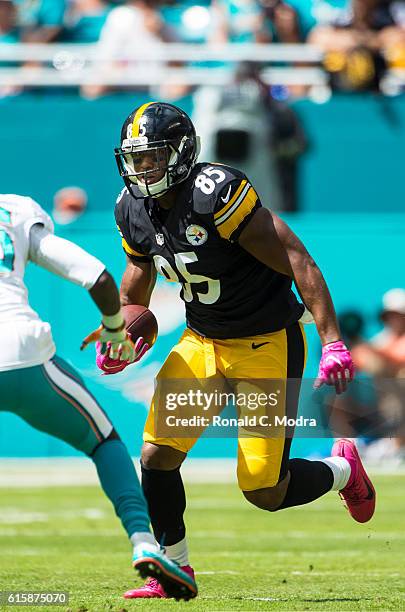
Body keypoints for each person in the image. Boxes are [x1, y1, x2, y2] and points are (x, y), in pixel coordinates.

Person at [90, 101, 376, 599]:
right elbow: (140, 270)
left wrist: (331, 341)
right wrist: (122, 331)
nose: (142, 170)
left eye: (152, 158)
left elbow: (296, 258)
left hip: (265, 343)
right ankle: (172, 570)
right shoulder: (130, 206)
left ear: (181, 154)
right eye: (135, 160)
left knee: (265, 491)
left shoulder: (216, 193)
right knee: (156, 457)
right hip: (202, 340)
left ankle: (344, 469)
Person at [0, 193, 197, 601]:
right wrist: (112, 329)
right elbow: (98, 277)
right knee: (104, 441)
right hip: (20, 352)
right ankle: (143, 541)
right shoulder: (14, 210)